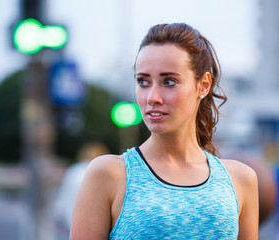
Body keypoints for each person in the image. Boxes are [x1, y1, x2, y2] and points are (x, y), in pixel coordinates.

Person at [70, 23, 259, 239]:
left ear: (204, 85)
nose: (152, 97)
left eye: (169, 81)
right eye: (143, 81)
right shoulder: (108, 174)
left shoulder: (240, 180)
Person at [54, 142, 109, 239]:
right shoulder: (105, 172)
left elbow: (62, 200)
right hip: (95, 224)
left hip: (69, 221)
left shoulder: (74, 171)